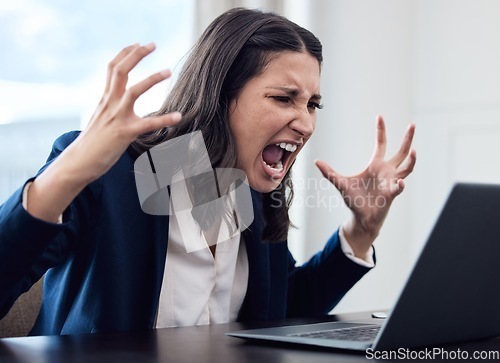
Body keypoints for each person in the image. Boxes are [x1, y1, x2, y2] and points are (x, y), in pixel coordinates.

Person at [0, 7, 416, 335]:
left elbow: (281, 311)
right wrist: (69, 172)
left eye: (312, 104)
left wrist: (361, 231)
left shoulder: (245, 191)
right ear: (220, 94)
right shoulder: (117, 174)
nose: (306, 122)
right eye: (285, 98)